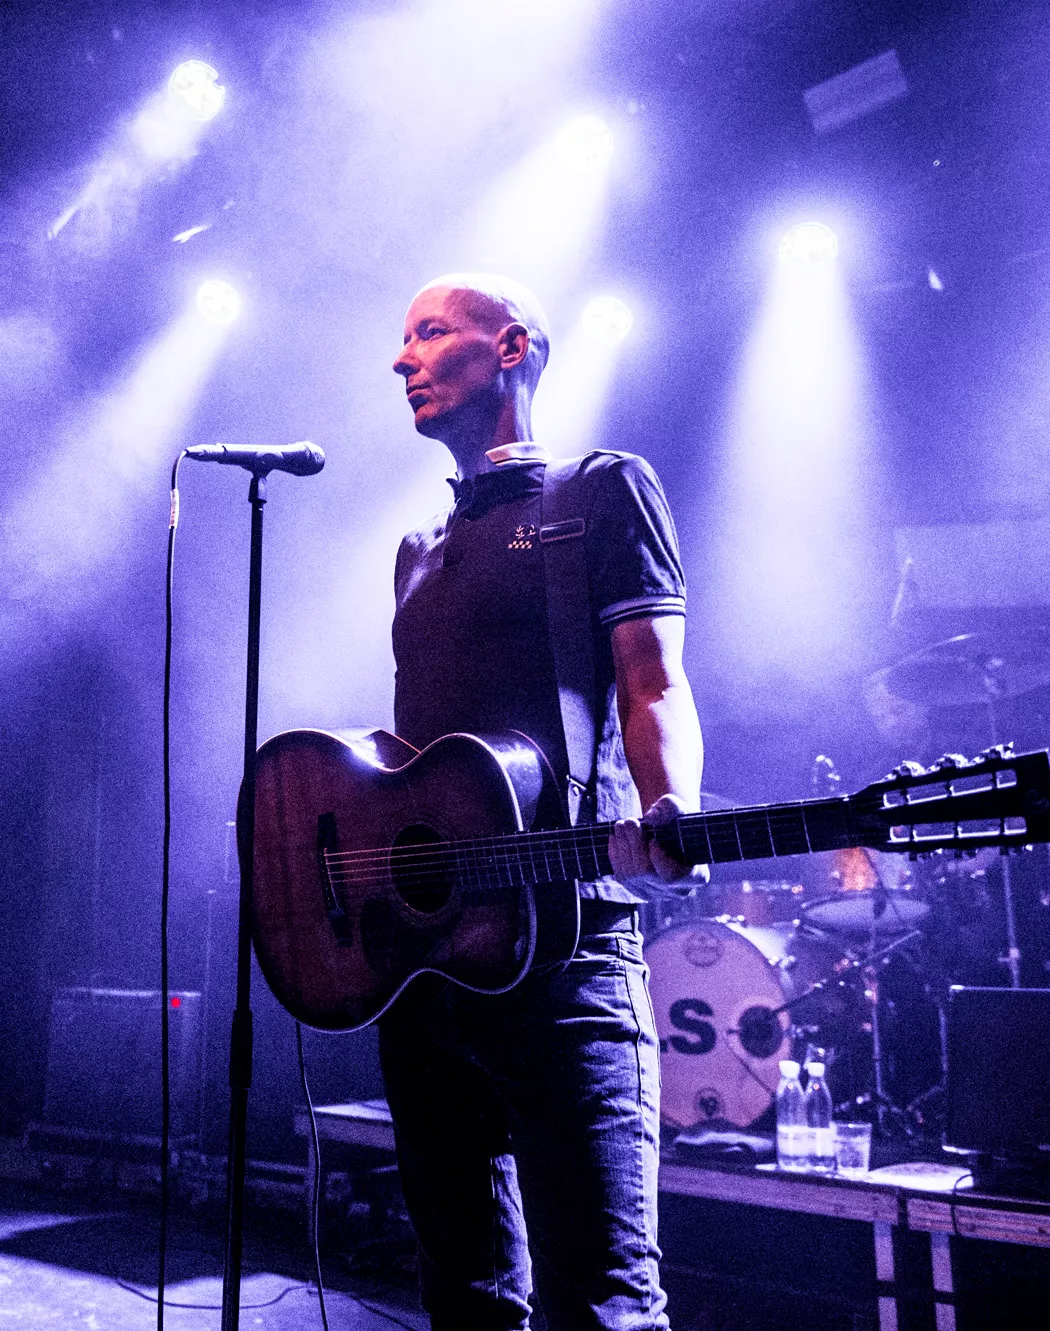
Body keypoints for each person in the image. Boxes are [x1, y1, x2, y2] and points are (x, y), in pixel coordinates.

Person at [381, 274, 705, 1331]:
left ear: (510, 348)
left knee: (603, 1307)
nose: (402, 357)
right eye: (404, 339)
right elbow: (414, 758)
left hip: (565, 950)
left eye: (430, 332)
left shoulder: (597, 492)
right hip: (428, 968)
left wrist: (669, 800)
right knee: (465, 1300)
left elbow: (654, 680)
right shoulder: (416, 550)